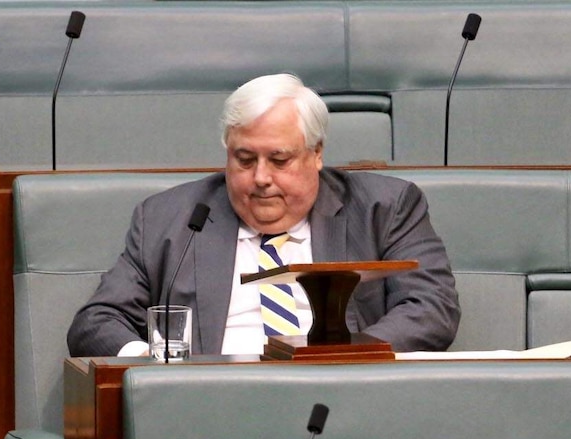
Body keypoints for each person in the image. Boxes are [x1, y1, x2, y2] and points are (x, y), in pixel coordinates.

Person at [67, 73, 460, 357]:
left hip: (343, 397)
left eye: (279, 159)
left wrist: (341, 357)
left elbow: (431, 309)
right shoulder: (170, 219)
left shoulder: (384, 209)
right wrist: (153, 365)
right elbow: (97, 321)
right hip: (209, 407)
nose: (260, 178)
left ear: (317, 153)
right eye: (244, 159)